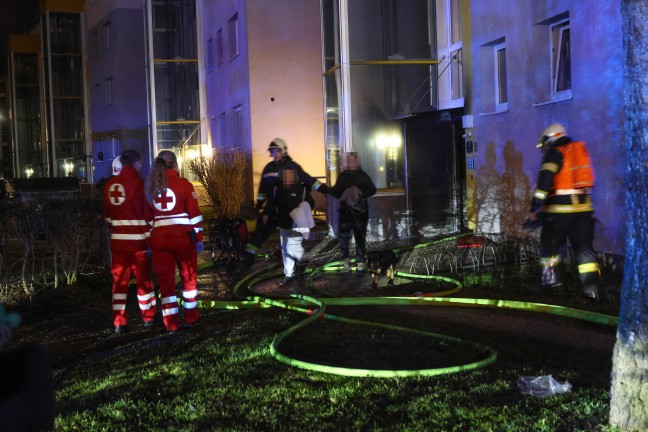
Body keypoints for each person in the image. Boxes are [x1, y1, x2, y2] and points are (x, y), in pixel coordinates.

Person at [526, 123, 600, 299]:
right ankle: (592, 292)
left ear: (550, 138)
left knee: (549, 247)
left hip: (559, 213)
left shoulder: (554, 152)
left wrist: (535, 208)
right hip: (584, 212)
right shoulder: (578, 152)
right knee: (585, 251)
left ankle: (554, 286)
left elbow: (544, 185)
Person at [242, 137, 329, 266]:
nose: (274, 154)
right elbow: (262, 190)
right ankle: (248, 257)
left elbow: (309, 180)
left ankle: (297, 262)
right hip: (273, 207)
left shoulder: (292, 167)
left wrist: (327, 190)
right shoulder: (268, 168)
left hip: (290, 208)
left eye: (277, 151)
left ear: (283, 151)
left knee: (293, 237)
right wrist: (259, 207)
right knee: (260, 232)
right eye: (272, 151)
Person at [145, 150, 203, 332]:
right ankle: (191, 318)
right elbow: (194, 216)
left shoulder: (151, 188)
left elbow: (148, 220)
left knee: (166, 284)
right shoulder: (184, 185)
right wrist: (199, 238)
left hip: (159, 242)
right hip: (183, 241)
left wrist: (149, 243)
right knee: (188, 280)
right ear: (175, 164)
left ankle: (171, 324)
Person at [103, 150, 157, 334]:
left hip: (117, 245)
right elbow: (146, 217)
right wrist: (150, 242)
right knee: (145, 282)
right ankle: (149, 319)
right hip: (137, 245)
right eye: (140, 164)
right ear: (134, 163)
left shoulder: (109, 186)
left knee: (118, 284)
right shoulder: (139, 185)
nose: (141, 167)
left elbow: (108, 218)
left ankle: (119, 323)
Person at [262, 169, 315, 286]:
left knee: (291, 247)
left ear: (294, 176)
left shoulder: (301, 189)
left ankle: (292, 271)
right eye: (285, 175)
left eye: (289, 175)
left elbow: (311, 203)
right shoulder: (277, 189)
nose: (287, 178)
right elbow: (271, 203)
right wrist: (266, 213)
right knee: (285, 248)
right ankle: (292, 272)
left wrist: (303, 209)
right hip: (283, 222)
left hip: (297, 223)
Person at [330, 152, 376, 276]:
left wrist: (359, 192)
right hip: (345, 213)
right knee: (344, 239)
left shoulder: (363, 176)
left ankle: (361, 263)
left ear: (357, 162)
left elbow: (372, 190)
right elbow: (336, 192)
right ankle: (345, 262)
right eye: (348, 161)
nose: (351, 163)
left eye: (353, 161)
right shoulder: (343, 176)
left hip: (360, 213)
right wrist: (341, 193)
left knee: (360, 238)